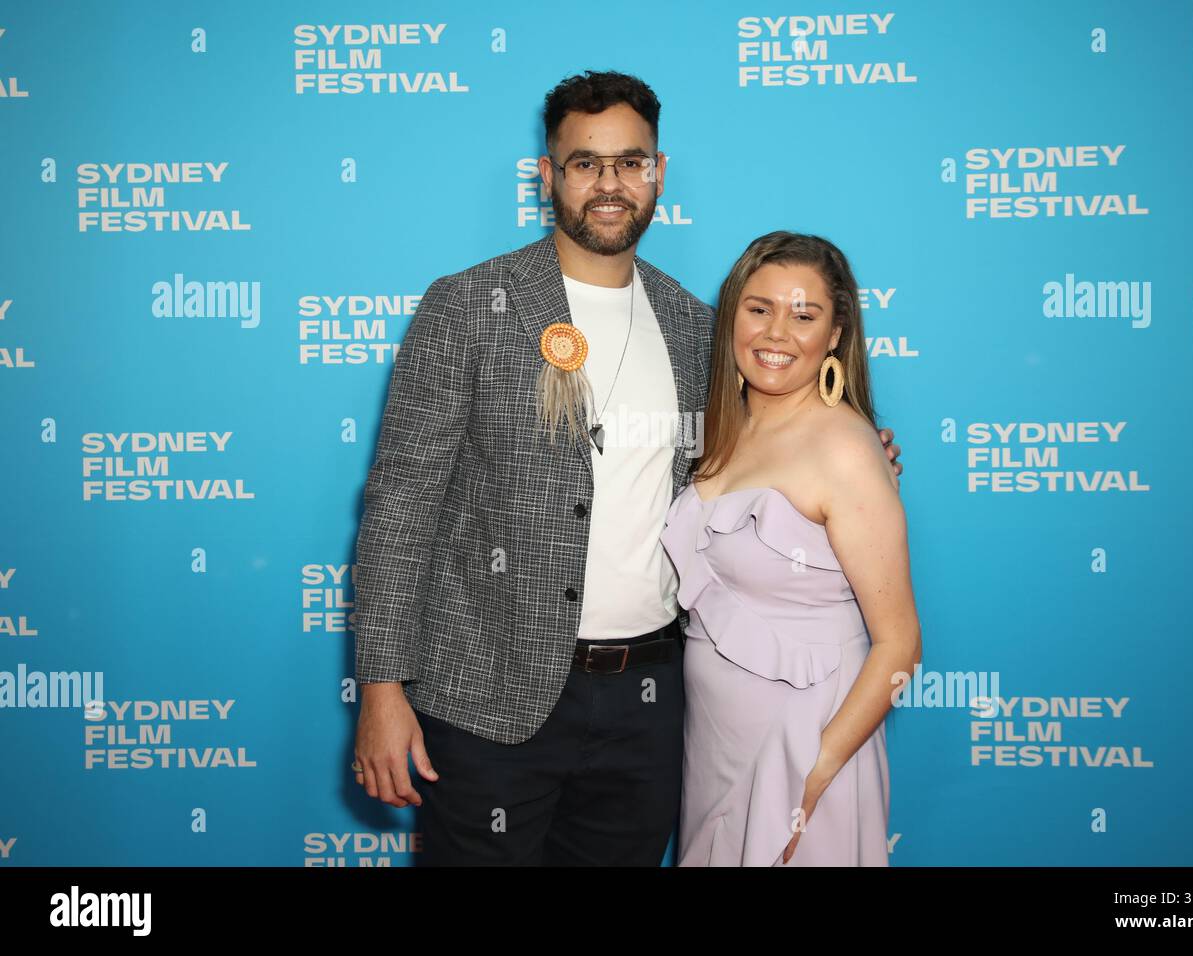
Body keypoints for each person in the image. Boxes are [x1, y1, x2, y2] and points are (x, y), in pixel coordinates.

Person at [350, 70, 903, 866]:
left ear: (658, 174)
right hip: (487, 699)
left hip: (650, 704)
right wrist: (381, 688)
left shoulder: (698, 329)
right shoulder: (469, 307)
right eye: (585, 163)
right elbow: (402, 509)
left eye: (630, 162)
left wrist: (865, 458)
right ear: (548, 175)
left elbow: (774, 455)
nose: (609, 185)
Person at [660, 231, 922, 866]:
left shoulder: (846, 449)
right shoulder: (719, 426)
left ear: (835, 335)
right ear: (732, 316)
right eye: (759, 309)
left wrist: (816, 767)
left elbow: (901, 645)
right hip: (715, 738)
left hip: (804, 743)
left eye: (804, 316)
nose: (777, 333)